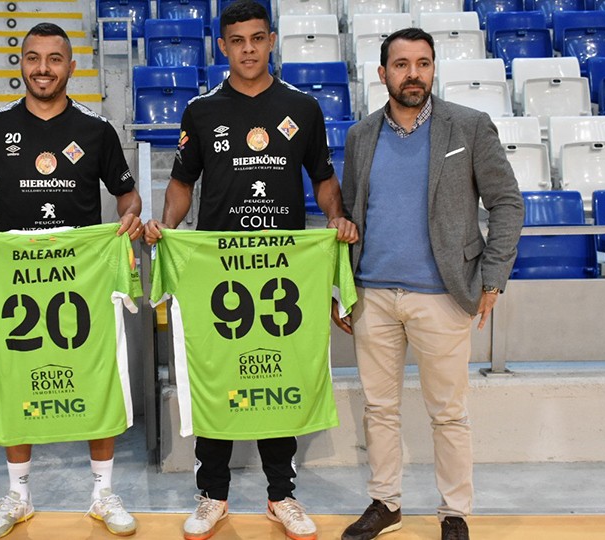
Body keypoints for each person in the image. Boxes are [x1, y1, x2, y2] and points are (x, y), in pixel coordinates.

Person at [144, 2, 357, 539]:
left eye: (257, 39)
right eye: (236, 40)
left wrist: (336, 217)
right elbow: (181, 184)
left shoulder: (303, 108)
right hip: (219, 268)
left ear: (272, 41)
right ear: (222, 46)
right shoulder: (201, 111)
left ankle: (281, 495)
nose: (247, 49)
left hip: (282, 264)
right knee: (218, 374)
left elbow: (324, 178)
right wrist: (165, 229)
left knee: (277, 373)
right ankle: (213, 494)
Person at [0, 22, 144, 539]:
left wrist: (130, 215)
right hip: (17, 279)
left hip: (81, 278)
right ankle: (19, 495)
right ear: (21, 65)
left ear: (70, 66)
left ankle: (103, 494)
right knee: (16, 379)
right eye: (33, 58)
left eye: (53, 59)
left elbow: (128, 196)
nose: (43, 68)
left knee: (95, 375)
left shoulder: (96, 130)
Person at [337, 28, 524, 540]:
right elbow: (352, 216)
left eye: (422, 63)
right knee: (379, 409)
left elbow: (507, 203)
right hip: (373, 295)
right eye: (401, 64)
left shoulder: (468, 126)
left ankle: (454, 512)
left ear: (433, 69)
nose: (412, 73)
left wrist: (494, 276)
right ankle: (386, 503)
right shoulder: (360, 136)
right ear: (383, 74)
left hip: (443, 295)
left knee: (449, 412)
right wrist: (344, 288)